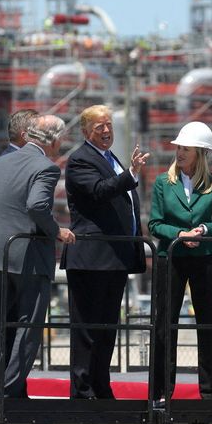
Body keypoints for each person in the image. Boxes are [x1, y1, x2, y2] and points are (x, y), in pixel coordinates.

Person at [0, 115, 76, 400]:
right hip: (29, 260)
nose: (62, 144)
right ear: (52, 140)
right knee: (27, 327)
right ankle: (8, 392)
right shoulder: (46, 168)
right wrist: (56, 231)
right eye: (61, 138)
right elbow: (37, 206)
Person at [61, 104, 149, 399]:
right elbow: (98, 191)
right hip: (91, 257)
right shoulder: (79, 160)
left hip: (115, 257)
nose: (107, 131)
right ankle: (82, 388)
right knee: (87, 327)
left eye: (109, 125)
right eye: (100, 127)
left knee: (108, 327)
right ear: (86, 131)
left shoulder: (110, 158)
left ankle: (101, 384)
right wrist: (131, 173)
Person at [148, 122, 212, 401]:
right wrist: (181, 235)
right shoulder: (163, 182)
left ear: (200, 153)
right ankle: (161, 392)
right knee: (164, 324)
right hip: (171, 258)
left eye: (185, 148)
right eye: (179, 148)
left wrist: (205, 232)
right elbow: (155, 224)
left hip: (205, 260)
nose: (179, 152)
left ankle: (210, 393)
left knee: (207, 325)